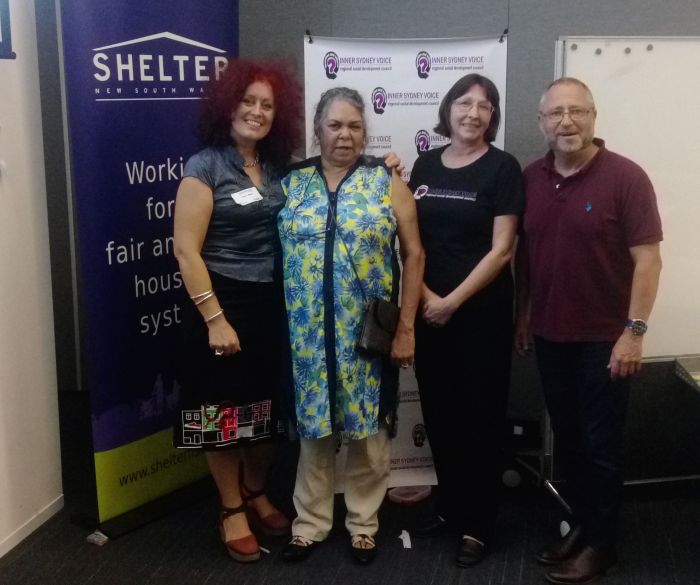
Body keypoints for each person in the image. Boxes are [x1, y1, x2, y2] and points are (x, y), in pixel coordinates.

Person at [515, 77, 663, 584]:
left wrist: (634, 332)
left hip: (606, 340)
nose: (566, 122)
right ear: (542, 123)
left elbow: (649, 262)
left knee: (601, 447)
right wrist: (524, 316)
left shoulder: (626, 178)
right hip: (551, 336)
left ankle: (603, 545)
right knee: (572, 443)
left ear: (594, 116)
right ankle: (582, 526)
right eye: (555, 114)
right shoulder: (532, 177)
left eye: (577, 111)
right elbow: (528, 258)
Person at [277, 87, 424, 565]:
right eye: (335, 125)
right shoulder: (291, 184)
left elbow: (414, 254)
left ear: (366, 131)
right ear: (317, 129)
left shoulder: (386, 182)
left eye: (355, 126)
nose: (345, 135)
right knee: (314, 433)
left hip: (366, 337)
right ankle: (310, 524)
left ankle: (364, 524)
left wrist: (406, 327)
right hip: (306, 337)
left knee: (369, 435)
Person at [172, 59, 302, 563]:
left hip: (272, 304)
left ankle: (254, 489)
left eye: (267, 104)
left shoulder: (275, 166)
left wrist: (388, 166)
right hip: (221, 301)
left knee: (264, 410)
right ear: (227, 105)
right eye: (248, 101)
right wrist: (214, 318)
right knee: (221, 413)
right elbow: (186, 250)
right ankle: (230, 508)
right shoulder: (203, 167)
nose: (257, 111)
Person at [407, 73, 524, 567]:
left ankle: (478, 523)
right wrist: (428, 298)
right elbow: (410, 242)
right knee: (440, 413)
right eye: (464, 102)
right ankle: (451, 509)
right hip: (429, 311)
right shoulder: (424, 164)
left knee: (480, 416)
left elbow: (502, 251)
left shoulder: (503, 168)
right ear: (448, 109)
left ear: (492, 117)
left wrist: (451, 300)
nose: (473, 112)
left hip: (481, 315)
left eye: (484, 105)